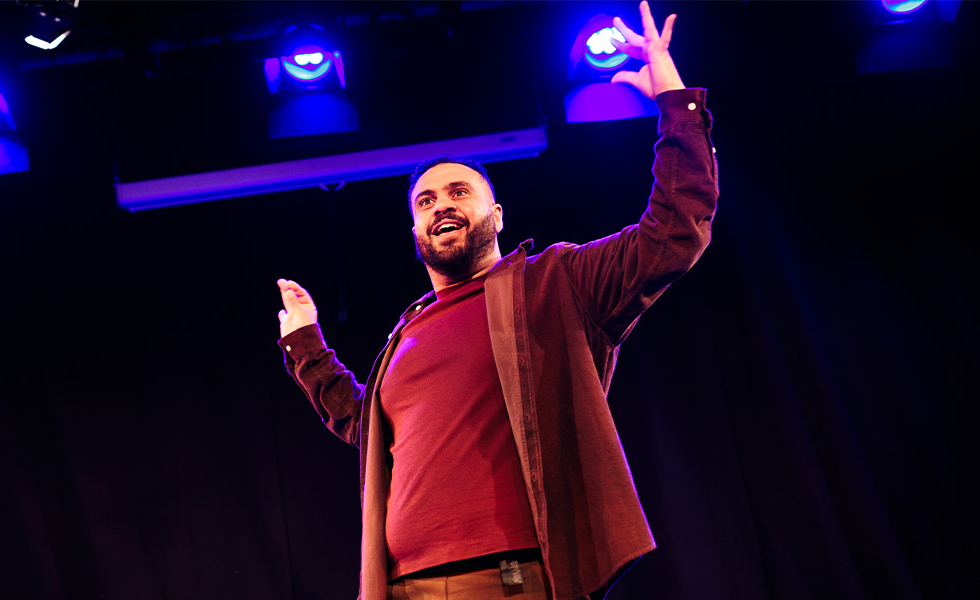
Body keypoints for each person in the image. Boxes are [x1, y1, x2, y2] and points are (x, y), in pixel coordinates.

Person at [275, 3, 717, 598]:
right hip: (402, 585)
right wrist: (305, 342)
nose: (442, 206)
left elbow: (673, 232)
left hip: (507, 577)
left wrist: (675, 101)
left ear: (497, 214)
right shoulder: (408, 333)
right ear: (414, 233)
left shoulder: (555, 282)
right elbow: (363, 424)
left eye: (459, 191)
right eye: (426, 202)